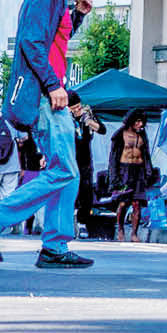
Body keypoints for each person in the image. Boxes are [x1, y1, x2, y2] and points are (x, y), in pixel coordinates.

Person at [0, 0, 98, 269]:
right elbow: (31, 42)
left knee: (67, 172)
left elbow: (53, 43)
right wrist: (54, 86)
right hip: (46, 96)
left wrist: (77, 16)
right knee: (65, 170)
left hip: (50, 94)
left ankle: (54, 245)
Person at [109, 109, 153, 242]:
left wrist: (148, 172)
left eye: (142, 122)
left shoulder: (142, 136)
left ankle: (134, 233)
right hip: (124, 172)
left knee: (137, 204)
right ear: (132, 121)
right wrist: (114, 177)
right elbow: (113, 158)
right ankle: (120, 229)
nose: (141, 124)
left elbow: (146, 155)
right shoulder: (120, 135)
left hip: (138, 172)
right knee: (123, 203)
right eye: (138, 121)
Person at [69, 91, 107, 238]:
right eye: (74, 108)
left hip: (85, 159)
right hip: (69, 158)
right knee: (70, 192)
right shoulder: (63, 117)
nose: (78, 110)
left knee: (86, 192)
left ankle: (82, 222)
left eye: (79, 106)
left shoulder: (88, 113)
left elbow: (103, 130)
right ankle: (68, 223)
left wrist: (90, 122)